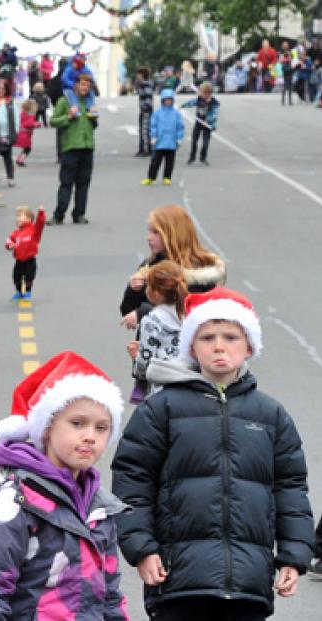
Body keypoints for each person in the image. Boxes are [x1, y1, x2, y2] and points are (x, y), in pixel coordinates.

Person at [112, 287, 314, 621]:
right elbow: (133, 480)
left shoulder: (270, 415)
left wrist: (293, 555)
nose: (219, 346)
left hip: (248, 584)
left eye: (231, 337)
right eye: (207, 337)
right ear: (191, 345)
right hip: (177, 581)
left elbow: (290, 487)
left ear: (249, 345)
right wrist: (141, 549)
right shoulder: (160, 409)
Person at [0, 351, 128, 621]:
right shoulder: (16, 501)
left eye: (102, 428)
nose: (90, 437)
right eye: (77, 424)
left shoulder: (100, 506)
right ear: (47, 428)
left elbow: (110, 594)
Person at [119, 204, 226, 332]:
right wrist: (133, 290)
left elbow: (188, 311)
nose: (149, 237)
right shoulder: (151, 264)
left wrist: (143, 312)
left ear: (173, 234)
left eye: (156, 232)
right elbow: (128, 311)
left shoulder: (197, 272)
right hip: (152, 343)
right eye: (149, 231)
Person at [126, 260, 186, 397]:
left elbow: (145, 362)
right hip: (188, 381)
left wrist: (136, 356)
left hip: (161, 388)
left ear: (156, 293)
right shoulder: (189, 315)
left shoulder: (152, 320)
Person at [48, 73, 97, 225]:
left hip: (87, 147)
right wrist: (68, 117)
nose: (85, 88)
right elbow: (53, 121)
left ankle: (79, 214)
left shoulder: (89, 102)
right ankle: (58, 215)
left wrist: (94, 118)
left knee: (84, 184)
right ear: (76, 85)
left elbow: (93, 126)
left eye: (88, 86)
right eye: (83, 85)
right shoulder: (65, 101)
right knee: (66, 183)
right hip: (70, 148)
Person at [141, 89, 183, 186]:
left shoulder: (176, 114)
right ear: (162, 100)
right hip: (159, 142)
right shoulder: (157, 113)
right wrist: (153, 136)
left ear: (172, 100)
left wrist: (179, 138)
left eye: (170, 99)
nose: (168, 101)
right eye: (166, 99)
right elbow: (153, 125)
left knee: (170, 162)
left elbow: (180, 127)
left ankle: (167, 177)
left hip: (172, 142)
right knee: (155, 161)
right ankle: (151, 178)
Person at [4, 205, 45, 300]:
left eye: (20, 216)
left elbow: (40, 223)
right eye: (17, 216)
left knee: (29, 278)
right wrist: (9, 245)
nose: (17, 219)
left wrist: (41, 213)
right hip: (19, 260)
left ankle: (27, 292)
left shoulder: (34, 230)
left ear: (29, 218)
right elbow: (8, 241)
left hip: (30, 260)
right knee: (16, 277)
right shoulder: (16, 233)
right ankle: (19, 291)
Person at [182, 81, 220, 166]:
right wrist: (183, 105)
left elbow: (215, 114)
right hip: (198, 123)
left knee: (205, 142)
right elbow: (192, 102)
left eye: (207, 93)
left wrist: (208, 120)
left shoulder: (214, 103)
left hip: (207, 125)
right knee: (194, 140)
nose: (204, 95)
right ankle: (192, 157)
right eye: (203, 92)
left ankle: (203, 157)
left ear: (210, 93)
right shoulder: (199, 99)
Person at [14, 99, 42, 167]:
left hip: (22, 132)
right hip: (26, 134)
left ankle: (19, 159)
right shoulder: (31, 115)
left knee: (26, 149)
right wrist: (37, 124)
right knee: (27, 149)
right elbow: (29, 123)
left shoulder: (23, 113)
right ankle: (20, 160)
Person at [134, 67, 154, 157]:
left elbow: (148, 98)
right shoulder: (142, 84)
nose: (137, 76)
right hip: (143, 110)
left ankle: (147, 150)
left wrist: (145, 109)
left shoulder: (146, 85)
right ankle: (142, 149)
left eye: (138, 74)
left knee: (145, 130)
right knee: (142, 130)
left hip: (146, 110)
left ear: (142, 75)